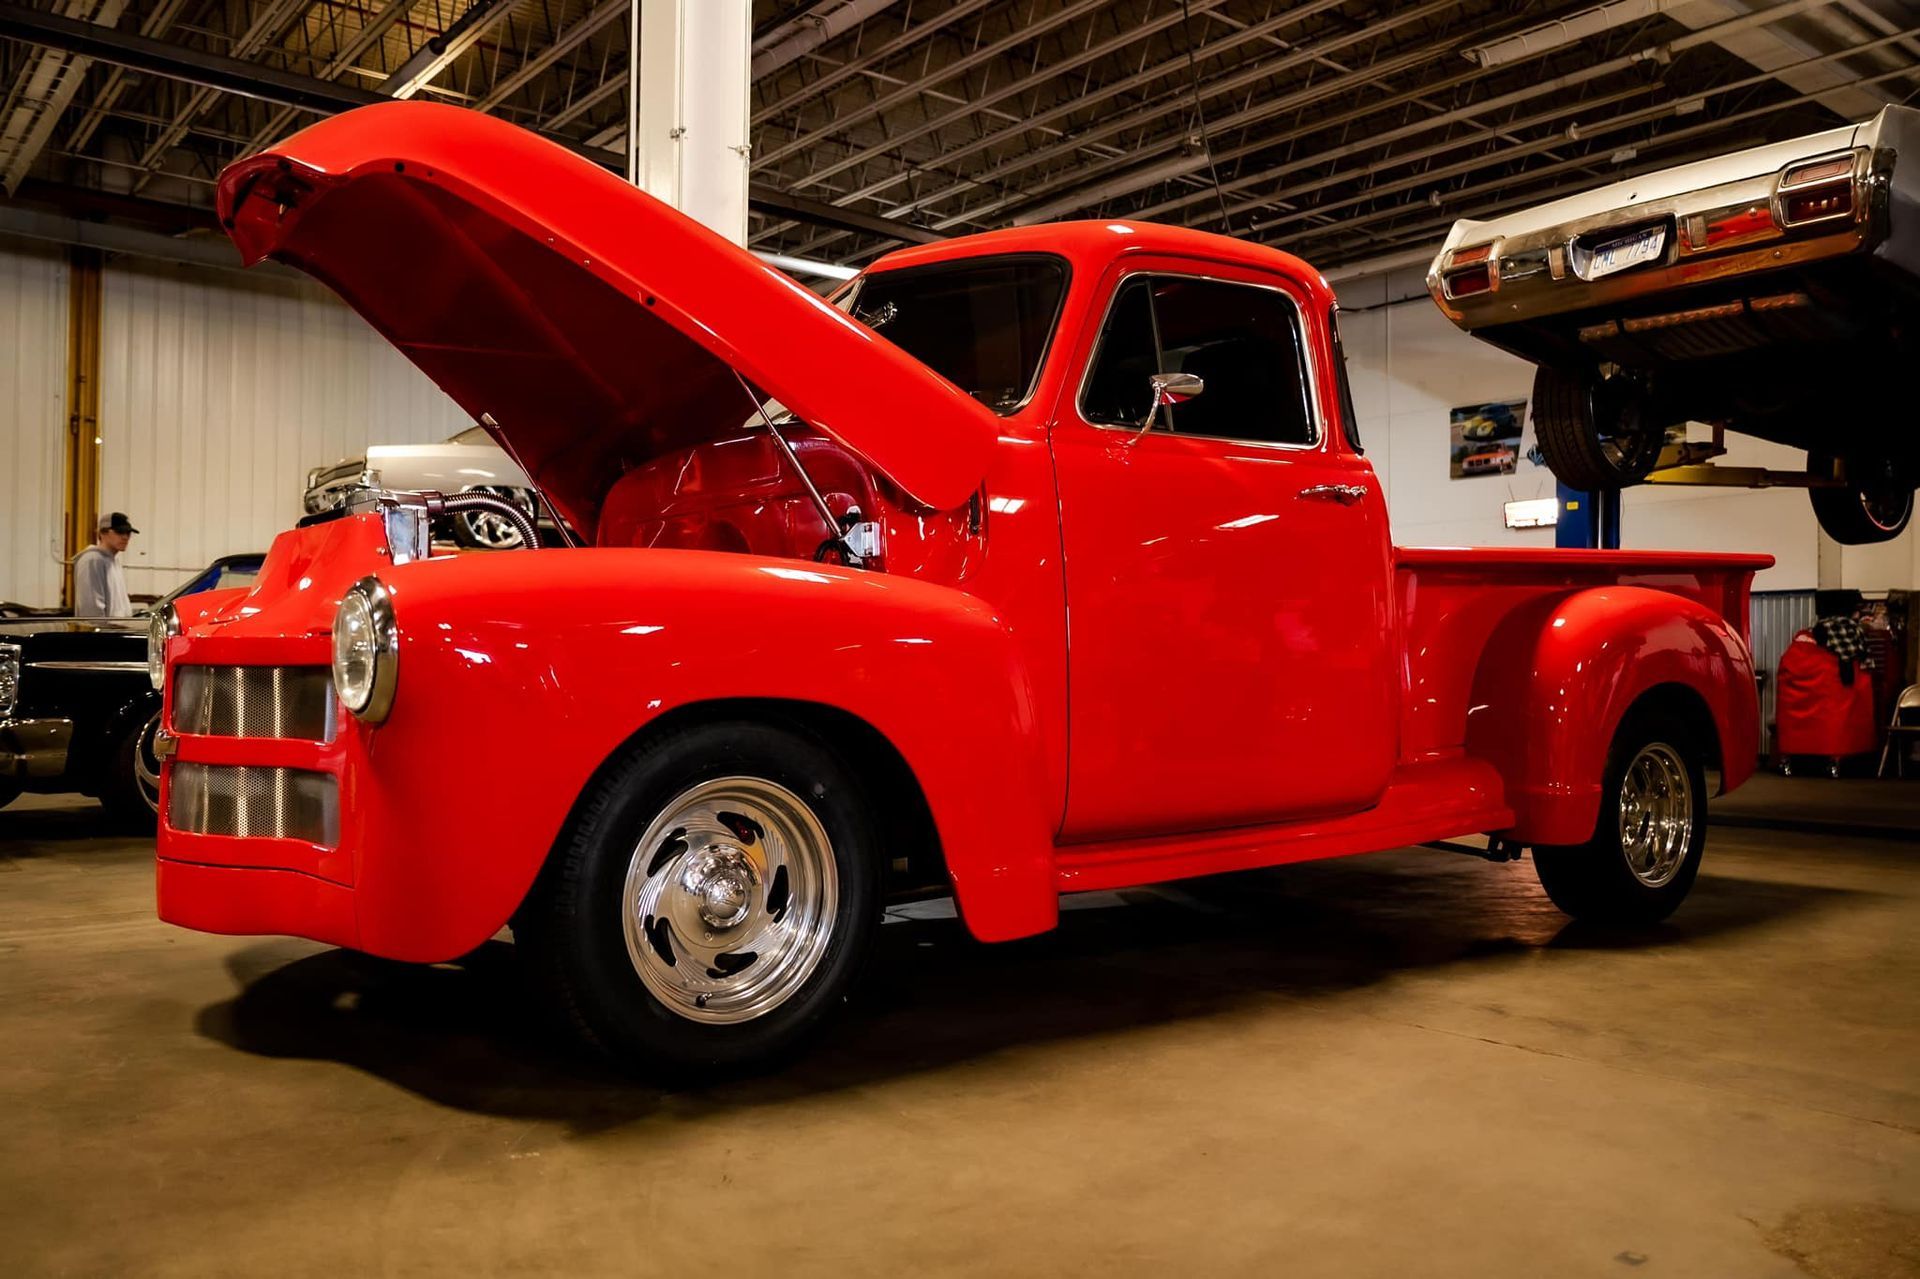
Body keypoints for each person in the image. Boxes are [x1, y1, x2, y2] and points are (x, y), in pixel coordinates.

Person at [72, 512, 137, 618]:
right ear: (102, 533)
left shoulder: (113, 561)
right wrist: (99, 632)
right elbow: (91, 606)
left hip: (116, 631)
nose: (125, 537)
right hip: (103, 633)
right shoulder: (92, 560)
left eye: (128, 533)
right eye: (120, 532)